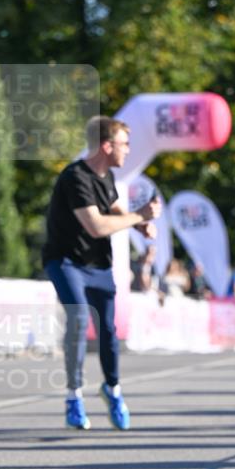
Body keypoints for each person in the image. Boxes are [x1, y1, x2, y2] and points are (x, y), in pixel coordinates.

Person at [43, 116, 161, 430]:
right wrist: (140, 214)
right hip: (66, 262)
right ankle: (73, 398)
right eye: (124, 144)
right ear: (106, 146)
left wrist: (140, 222)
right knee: (79, 318)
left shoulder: (106, 176)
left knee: (108, 331)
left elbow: (115, 210)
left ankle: (112, 388)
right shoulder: (74, 177)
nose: (128, 150)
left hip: (98, 265)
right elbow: (96, 226)